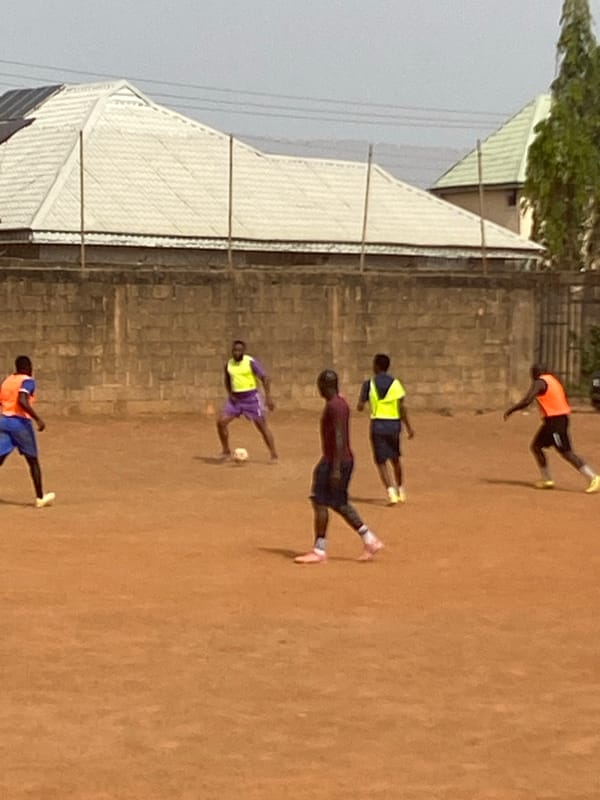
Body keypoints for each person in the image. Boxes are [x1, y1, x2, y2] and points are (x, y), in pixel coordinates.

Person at [294, 370, 384, 564]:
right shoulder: (340, 403)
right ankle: (370, 539)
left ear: (324, 386)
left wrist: (335, 468)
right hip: (341, 459)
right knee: (338, 502)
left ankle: (319, 550)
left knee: (319, 501)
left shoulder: (335, 406)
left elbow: (339, 436)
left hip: (335, 460)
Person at [504, 363, 600, 493]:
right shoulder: (553, 380)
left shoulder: (540, 382)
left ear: (537, 372)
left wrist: (511, 410)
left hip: (556, 421)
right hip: (553, 421)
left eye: (532, 372)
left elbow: (527, 400)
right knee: (536, 447)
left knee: (566, 452)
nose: (531, 375)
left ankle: (593, 477)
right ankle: (547, 479)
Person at [357, 353, 414, 505]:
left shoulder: (368, 384)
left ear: (376, 366)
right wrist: (408, 427)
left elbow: (360, 406)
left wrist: (363, 404)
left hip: (378, 426)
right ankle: (401, 489)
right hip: (394, 425)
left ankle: (391, 492)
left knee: (380, 461)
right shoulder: (396, 384)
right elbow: (402, 408)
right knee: (395, 459)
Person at [0, 355, 56, 507]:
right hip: (20, 423)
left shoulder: (8, 381)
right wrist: (37, 419)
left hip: (4, 421)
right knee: (33, 460)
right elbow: (22, 400)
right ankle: (40, 498)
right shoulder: (28, 381)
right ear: (28, 367)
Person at [216, 340, 278, 462]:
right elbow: (227, 380)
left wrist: (268, 398)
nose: (236, 352)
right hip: (235, 400)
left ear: (243, 351)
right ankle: (226, 451)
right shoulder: (229, 364)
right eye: (234, 350)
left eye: (239, 350)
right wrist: (230, 393)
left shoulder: (250, 362)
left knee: (261, 426)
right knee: (221, 422)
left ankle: (273, 454)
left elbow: (265, 378)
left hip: (251, 399)